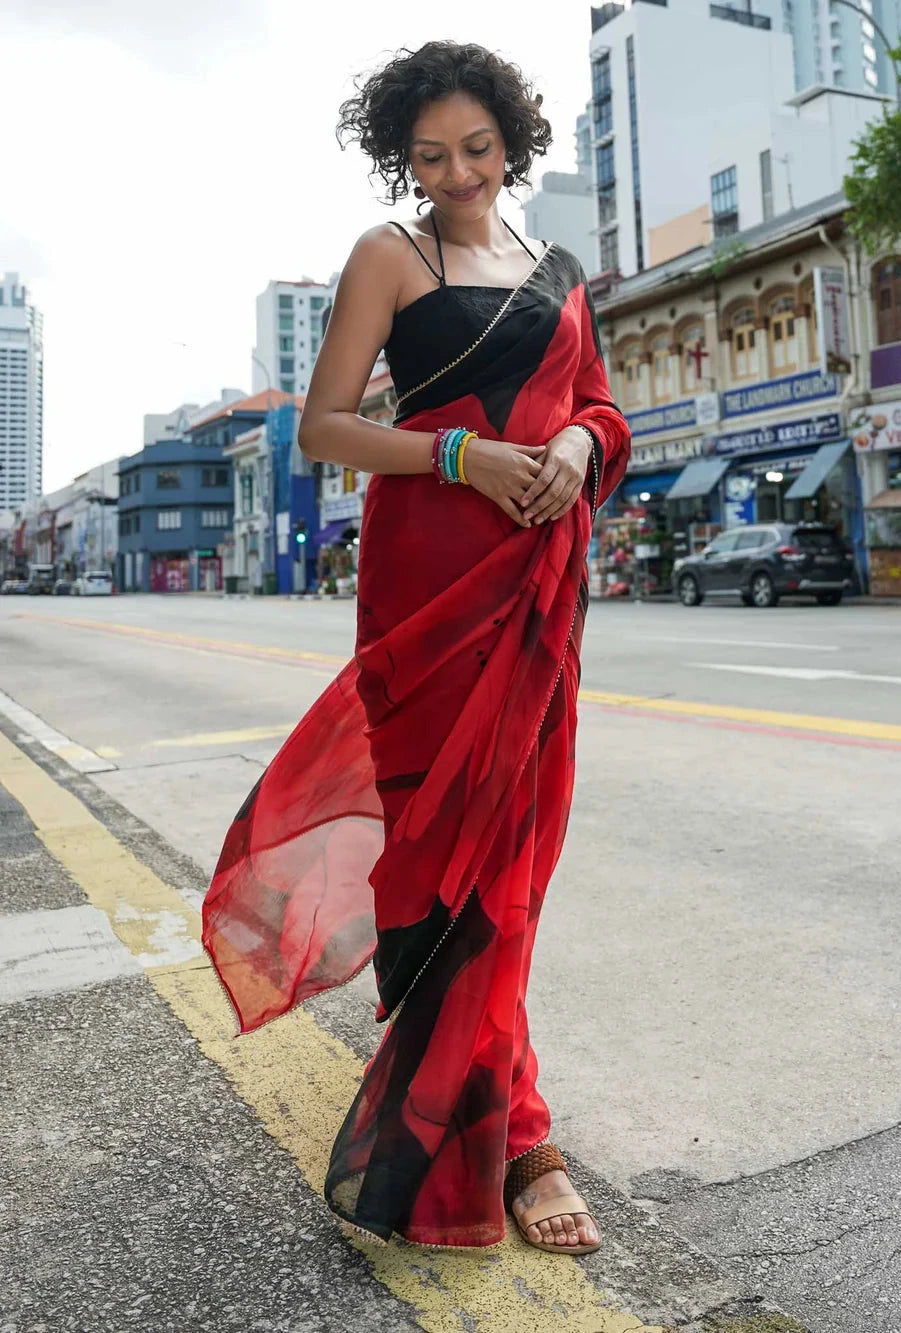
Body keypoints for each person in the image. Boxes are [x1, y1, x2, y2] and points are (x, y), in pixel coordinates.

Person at [202, 40, 631, 1255]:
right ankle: (522, 1138)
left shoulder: (558, 269)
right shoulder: (389, 257)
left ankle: (504, 1114)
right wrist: (460, 453)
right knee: (440, 869)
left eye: (477, 151)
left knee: (516, 859)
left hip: (538, 584)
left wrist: (578, 453)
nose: (456, 175)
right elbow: (321, 431)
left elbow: (601, 406)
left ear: (513, 144)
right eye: (431, 156)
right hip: (425, 585)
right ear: (404, 156)